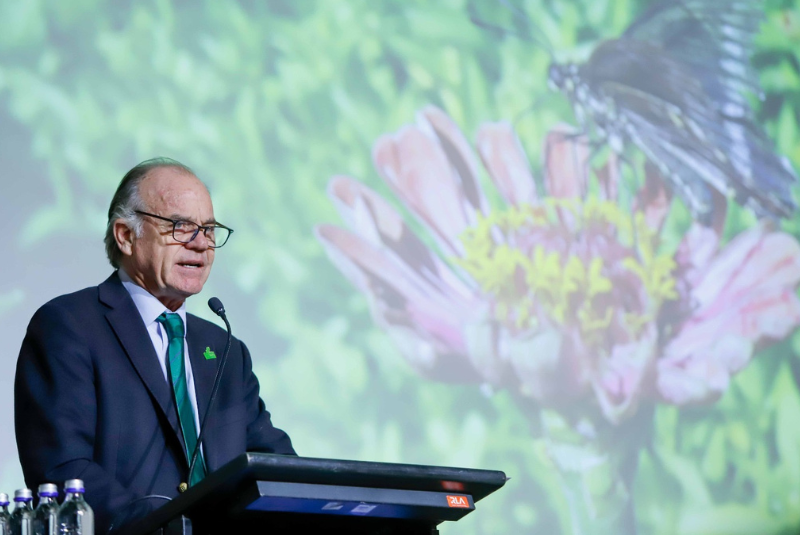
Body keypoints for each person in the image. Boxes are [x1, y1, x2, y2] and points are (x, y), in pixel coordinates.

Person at [15, 158, 295, 534]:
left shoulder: (225, 350)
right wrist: (168, 526)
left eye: (209, 229)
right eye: (180, 226)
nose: (201, 243)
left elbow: (276, 467)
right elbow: (63, 469)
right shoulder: (69, 326)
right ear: (125, 236)